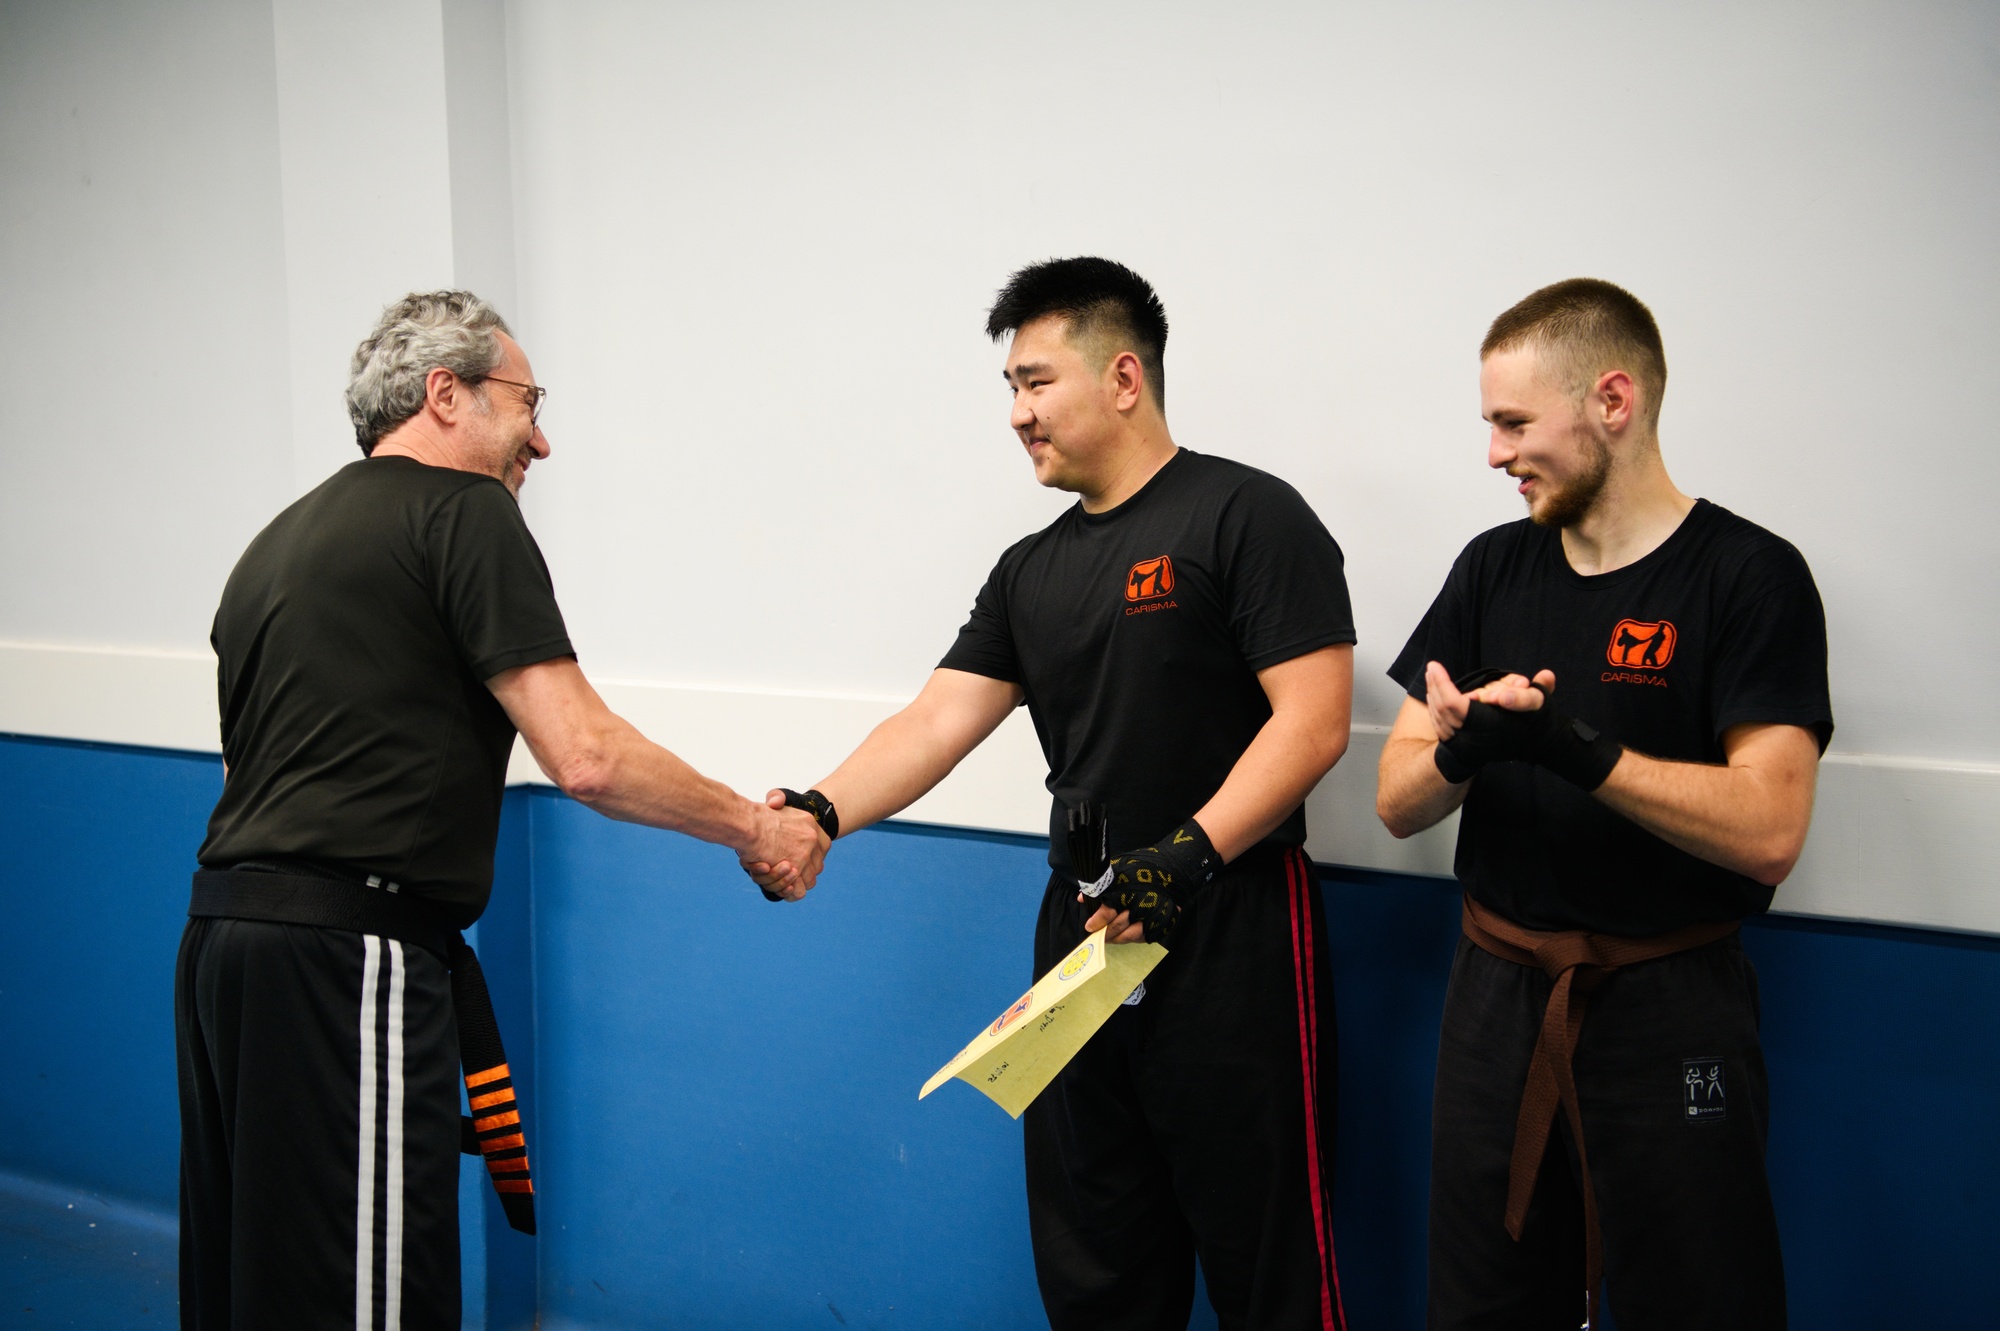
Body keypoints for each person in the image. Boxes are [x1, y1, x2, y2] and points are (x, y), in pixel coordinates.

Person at [177, 291, 828, 1330]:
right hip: (351, 956)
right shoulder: (464, 512)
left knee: (257, 1281)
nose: (543, 439)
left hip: (223, 947)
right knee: (372, 1298)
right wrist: (759, 829)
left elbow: (240, 778)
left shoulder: (271, 547)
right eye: (529, 402)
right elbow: (587, 757)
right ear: (447, 394)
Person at [750, 257, 1357, 1330]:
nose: (1017, 413)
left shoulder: (1247, 516)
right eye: (1010, 388)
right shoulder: (1028, 569)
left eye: (1036, 382)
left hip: (1228, 926)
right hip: (1082, 939)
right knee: (1096, 1263)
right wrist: (821, 810)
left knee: (1268, 1264)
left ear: (1123, 377)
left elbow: (1311, 721)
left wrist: (1186, 856)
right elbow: (935, 720)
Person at [1375, 279, 1832, 1330]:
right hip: (1495, 993)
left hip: (1667, 1000)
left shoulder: (1747, 577)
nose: (1494, 453)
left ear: (1611, 401)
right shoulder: (1491, 568)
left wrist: (1574, 750)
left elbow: (1770, 828)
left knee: (1699, 1300)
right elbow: (1396, 799)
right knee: (1481, 1301)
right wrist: (1464, 748)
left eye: (1513, 422)